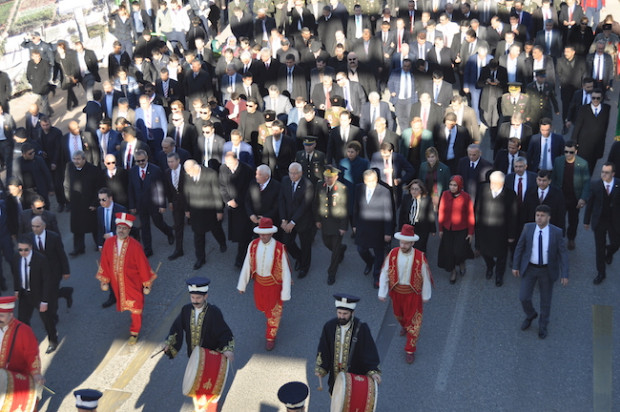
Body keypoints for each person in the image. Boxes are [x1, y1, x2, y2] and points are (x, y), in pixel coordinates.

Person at [96, 212, 157, 344]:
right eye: (119, 228)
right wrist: (104, 280)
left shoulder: (135, 246)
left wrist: (147, 282)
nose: (121, 231)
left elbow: (142, 265)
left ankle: (134, 332)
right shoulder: (109, 243)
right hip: (116, 282)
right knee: (126, 303)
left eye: (124, 228)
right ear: (116, 228)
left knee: (136, 306)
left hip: (133, 282)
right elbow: (105, 261)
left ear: (129, 230)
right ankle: (134, 323)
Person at [512, 205, 569, 339]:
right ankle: (530, 314)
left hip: (546, 270)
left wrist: (565, 274)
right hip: (530, 268)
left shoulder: (556, 232)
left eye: (542, 215)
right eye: (537, 215)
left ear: (549, 217)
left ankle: (543, 325)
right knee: (523, 297)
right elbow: (520, 247)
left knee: (545, 301)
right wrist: (515, 265)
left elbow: (563, 254)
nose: (539, 218)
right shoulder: (528, 228)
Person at [378, 224, 432, 364]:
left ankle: (410, 349)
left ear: (412, 243)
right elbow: (385, 272)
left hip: (413, 294)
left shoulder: (420, 257)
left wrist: (425, 295)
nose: (403, 245)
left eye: (406, 243)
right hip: (396, 293)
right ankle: (404, 325)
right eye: (401, 242)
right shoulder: (393, 253)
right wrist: (382, 292)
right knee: (399, 315)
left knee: (414, 322)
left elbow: (425, 277)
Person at [237, 217, 292, 351]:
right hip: (259, 285)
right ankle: (273, 320)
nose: (263, 236)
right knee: (263, 308)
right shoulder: (253, 245)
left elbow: (285, 271)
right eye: (261, 234)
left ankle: (270, 337)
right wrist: (242, 284)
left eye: (265, 234)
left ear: (271, 233)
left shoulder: (279, 248)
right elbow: (247, 265)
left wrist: (285, 292)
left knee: (273, 313)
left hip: (274, 286)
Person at [315, 293, 381, 394]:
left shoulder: (362, 328)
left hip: (355, 374)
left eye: (345, 314)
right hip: (336, 374)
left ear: (352, 313)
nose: (341, 316)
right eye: (339, 313)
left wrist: (373, 371)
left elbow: (368, 350)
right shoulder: (329, 326)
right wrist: (321, 367)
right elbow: (324, 348)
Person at [163, 277, 234, 360]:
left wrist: (227, 349)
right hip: (192, 355)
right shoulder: (186, 309)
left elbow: (224, 332)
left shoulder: (214, 312)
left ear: (205, 296)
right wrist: (168, 343)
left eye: (198, 298)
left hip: (210, 355)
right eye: (192, 297)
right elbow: (176, 328)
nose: (195, 301)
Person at [12, 236, 57, 353]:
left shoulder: (41, 259)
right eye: (20, 250)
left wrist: (44, 301)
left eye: (25, 250)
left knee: (46, 319)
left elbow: (47, 281)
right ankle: (31, 341)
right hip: (24, 294)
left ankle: (53, 340)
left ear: (31, 248)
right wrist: (17, 289)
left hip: (39, 294)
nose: (23, 252)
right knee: (22, 320)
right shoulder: (16, 258)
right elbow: (17, 275)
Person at [474, 171, 518, 286]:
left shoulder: (510, 194)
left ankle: (499, 275)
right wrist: (476, 225)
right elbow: (477, 208)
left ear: (502, 183)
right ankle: (490, 266)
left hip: (501, 231)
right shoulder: (483, 189)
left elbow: (513, 216)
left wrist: (511, 235)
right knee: (484, 251)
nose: (492, 185)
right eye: (491, 182)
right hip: (485, 229)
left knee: (501, 256)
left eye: (495, 183)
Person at [128, 149, 175, 257]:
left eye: (142, 160)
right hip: (141, 205)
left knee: (158, 223)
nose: (140, 163)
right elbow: (130, 188)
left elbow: (160, 188)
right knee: (145, 227)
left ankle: (169, 232)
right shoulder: (133, 171)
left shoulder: (155, 170)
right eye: (138, 161)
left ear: (147, 158)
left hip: (153, 203)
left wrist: (162, 205)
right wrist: (132, 206)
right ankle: (148, 249)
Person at [29, 216, 72, 332]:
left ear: (44, 226)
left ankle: (53, 316)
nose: (35, 229)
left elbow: (61, 255)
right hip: (38, 275)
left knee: (51, 297)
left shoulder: (54, 237)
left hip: (53, 272)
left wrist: (66, 270)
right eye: (33, 226)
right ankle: (65, 292)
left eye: (37, 226)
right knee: (42, 295)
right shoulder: (29, 239)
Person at [183, 159, 227, 270]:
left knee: (216, 229)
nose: (188, 174)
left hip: (209, 210)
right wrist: (187, 209)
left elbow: (216, 193)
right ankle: (200, 258)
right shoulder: (188, 175)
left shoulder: (211, 174)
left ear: (195, 167)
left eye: (189, 171)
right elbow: (186, 192)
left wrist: (219, 210)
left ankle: (222, 242)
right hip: (195, 211)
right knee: (198, 236)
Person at [353, 169, 393, 289]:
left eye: (372, 181)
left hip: (377, 229)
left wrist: (388, 232)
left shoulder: (384, 191)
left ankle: (377, 276)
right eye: (367, 181)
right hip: (363, 226)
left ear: (376, 180)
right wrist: (354, 225)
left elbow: (388, 213)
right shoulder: (359, 188)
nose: (370, 183)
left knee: (379, 254)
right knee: (361, 249)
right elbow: (356, 207)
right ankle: (370, 261)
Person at [584, 162, 620, 285]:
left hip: (614, 221)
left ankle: (609, 252)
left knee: (616, 243)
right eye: (603, 172)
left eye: (607, 172)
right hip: (599, 220)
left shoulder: (618, 184)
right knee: (599, 248)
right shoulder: (596, 184)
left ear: (613, 174)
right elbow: (590, 204)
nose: (604, 174)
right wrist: (586, 220)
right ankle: (601, 273)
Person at [551, 141, 591, 250]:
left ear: (576, 152)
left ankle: (571, 238)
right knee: (559, 219)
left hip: (574, 198)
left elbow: (587, 182)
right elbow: (554, 179)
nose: (568, 154)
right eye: (566, 152)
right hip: (561, 196)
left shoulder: (583, 164)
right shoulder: (558, 161)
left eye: (571, 152)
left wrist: (583, 198)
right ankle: (559, 238)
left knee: (573, 220)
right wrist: (553, 194)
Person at [279, 162, 315, 279]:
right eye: (291, 173)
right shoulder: (285, 181)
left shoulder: (308, 185)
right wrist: (284, 219)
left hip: (303, 220)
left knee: (305, 245)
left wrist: (292, 222)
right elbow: (282, 200)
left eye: (295, 173)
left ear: (301, 173)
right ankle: (299, 257)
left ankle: (305, 267)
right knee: (287, 243)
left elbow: (304, 206)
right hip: (288, 218)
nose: (293, 176)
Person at [64, 151, 103, 256]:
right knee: (77, 227)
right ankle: (78, 248)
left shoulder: (93, 170)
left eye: (78, 159)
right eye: (74, 159)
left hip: (89, 202)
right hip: (76, 203)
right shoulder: (69, 167)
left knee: (94, 226)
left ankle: (99, 244)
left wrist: (95, 203)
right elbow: (67, 183)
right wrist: (68, 197)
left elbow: (98, 188)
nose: (76, 162)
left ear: (84, 159)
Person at [438, 175, 475, 284]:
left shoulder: (466, 197)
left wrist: (470, 232)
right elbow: (441, 212)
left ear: (459, 186)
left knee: (458, 251)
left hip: (461, 229)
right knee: (449, 252)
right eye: (451, 185)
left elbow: (470, 215)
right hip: (448, 229)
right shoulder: (445, 194)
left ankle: (461, 262)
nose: (452, 187)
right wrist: (440, 229)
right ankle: (453, 271)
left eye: (455, 185)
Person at [315, 166, 349, 285]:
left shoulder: (342, 188)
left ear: (336, 177)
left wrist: (343, 227)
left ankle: (331, 273)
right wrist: (317, 220)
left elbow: (345, 208)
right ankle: (341, 249)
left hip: (337, 224)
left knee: (334, 251)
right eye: (326, 177)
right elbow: (317, 203)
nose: (327, 179)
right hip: (325, 222)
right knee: (326, 243)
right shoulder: (320, 186)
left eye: (330, 177)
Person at [0, 296, 45, 386]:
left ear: (11, 315)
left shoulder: (24, 331)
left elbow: (32, 353)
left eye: (1, 316)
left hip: (15, 377)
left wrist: (36, 373)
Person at [399, 180, 435, 253]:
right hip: (409, 226)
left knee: (420, 248)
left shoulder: (427, 199)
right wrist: (400, 228)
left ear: (421, 190)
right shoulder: (406, 198)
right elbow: (401, 214)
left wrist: (433, 229)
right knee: (409, 247)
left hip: (422, 228)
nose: (414, 191)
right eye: (412, 189)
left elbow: (430, 214)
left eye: (416, 189)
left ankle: (422, 263)